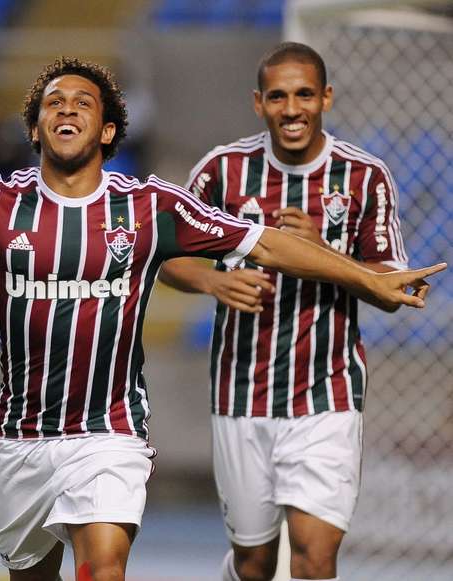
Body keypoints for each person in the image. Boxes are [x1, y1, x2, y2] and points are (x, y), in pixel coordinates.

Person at [0, 57, 443, 581]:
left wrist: (368, 277)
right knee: (29, 571)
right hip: (22, 440)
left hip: (111, 433)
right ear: (34, 128)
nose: (66, 109)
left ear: (107, 131)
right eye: (52, 102)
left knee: (102, 561)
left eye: (82, 103)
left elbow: (269, 242)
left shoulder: (153, 205)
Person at [159, 42, 415, 581]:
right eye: (278, 96)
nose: (292, 108)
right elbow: (165, 260)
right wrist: (212, 281)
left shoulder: (364, 177)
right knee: (254, 564)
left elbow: (393, 289)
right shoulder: (222, 172)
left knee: (314, 557)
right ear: (259, 103)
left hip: (329, 396)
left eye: (304, 94)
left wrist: (323, 252)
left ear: (326, 97)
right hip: (240, 393)